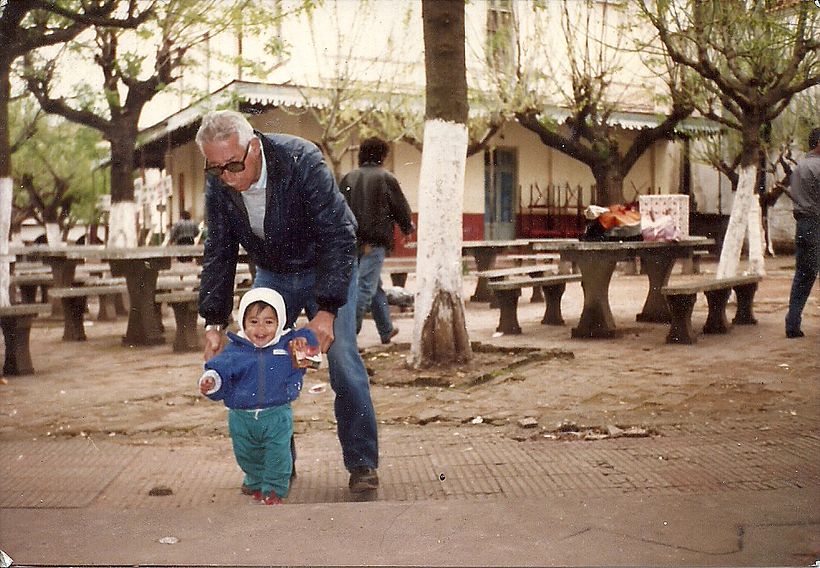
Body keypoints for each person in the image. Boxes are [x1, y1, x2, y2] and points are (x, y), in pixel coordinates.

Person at [195, 110, 379, 494]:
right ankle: (277, 466)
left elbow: (338, 233)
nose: (227, 177)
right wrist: (214, 323)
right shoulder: (220, 181)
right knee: (260, 360)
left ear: (255, 147)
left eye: (233, 165)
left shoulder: (301, 159)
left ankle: (362, 462)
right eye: (216, 169)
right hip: (274, 273)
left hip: (322, 267)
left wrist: (327, 310)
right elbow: (219, 250)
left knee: (343, 361)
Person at [198, 287, 318, 505]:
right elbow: (218, 370)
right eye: (253, 322)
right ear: (243, 324)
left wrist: (303, 342)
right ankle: (254, 480)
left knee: (278, 454)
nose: (261, 329)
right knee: (246, 454)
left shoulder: (287, 345)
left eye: (269, 322)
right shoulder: (235, 351)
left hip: (277, 414)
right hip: (241, 416)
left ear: (280, 322)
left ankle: (274, 489)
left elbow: (311, 344)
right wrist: (211, 381)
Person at [339, 137, 414, 344]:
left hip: (351, 242)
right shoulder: (386, 177)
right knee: (365, 287)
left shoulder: (348, 178)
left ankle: (386, 329)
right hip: (374, 242)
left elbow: (338, 209)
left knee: (373, 286)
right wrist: (407, 228)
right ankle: (348, 335)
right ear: (381, 155)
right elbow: (400, 206)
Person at [785, 126, 820, 339]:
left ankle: (793, 322)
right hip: (816, 223)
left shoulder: (799, 167)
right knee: (808, 273)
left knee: (802, 275)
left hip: (801, 223)